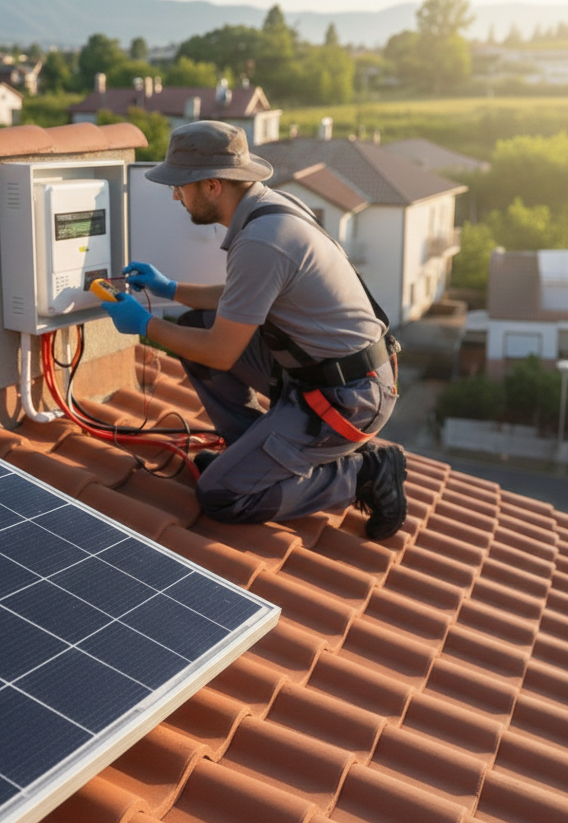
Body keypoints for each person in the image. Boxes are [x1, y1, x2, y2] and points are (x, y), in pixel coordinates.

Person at [100, 119, 407, 539]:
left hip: (349, 396)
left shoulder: (262, 241)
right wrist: (169, 288)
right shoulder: (269, 209)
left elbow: (221, 353)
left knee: (222, 495)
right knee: (196, 325)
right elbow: (243, 297)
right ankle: (251, 453)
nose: (175, 195)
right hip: (326, 372)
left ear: (212, 186)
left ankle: (363, 472)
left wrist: (145, 325)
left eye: (181, 185)